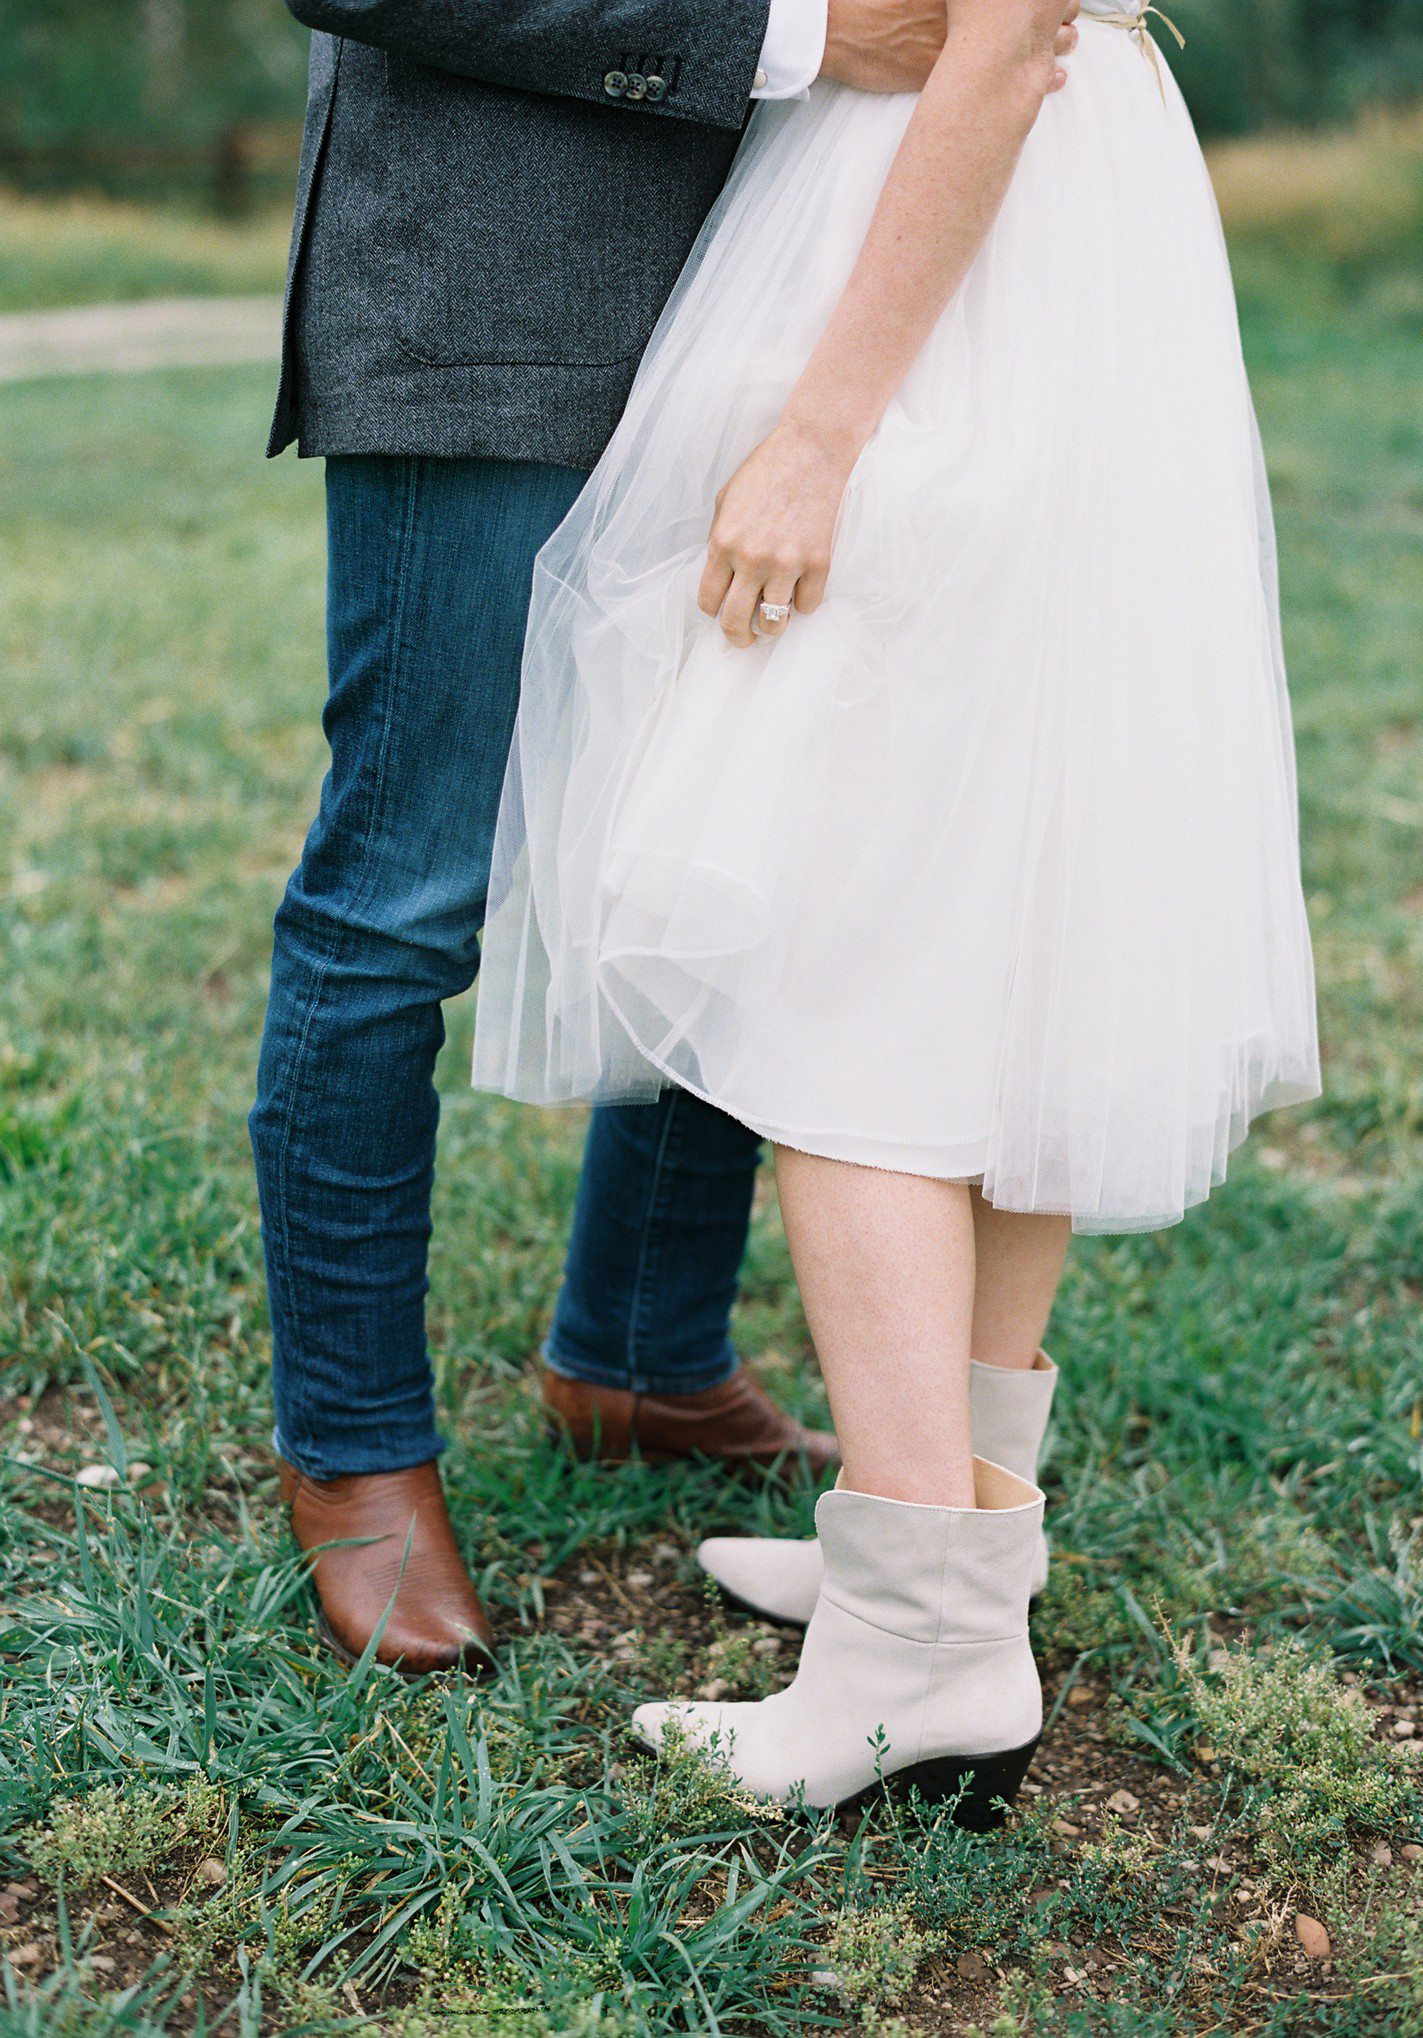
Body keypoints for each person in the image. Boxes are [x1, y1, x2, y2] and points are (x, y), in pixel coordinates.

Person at [472, 0, 1321, 1820]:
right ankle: (952, 1539)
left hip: (962, 252)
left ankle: (913, 1643)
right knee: (1002, 896)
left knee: (848, 929)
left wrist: (820, 434)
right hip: (1052, 218)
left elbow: (1004, 36)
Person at [255, 0, 1079, 1679]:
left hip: (780, 297)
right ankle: (352, 1447)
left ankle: (640, 1349)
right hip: (500, 291)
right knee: (407, 893)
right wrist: (788, 31)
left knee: (743, 834)